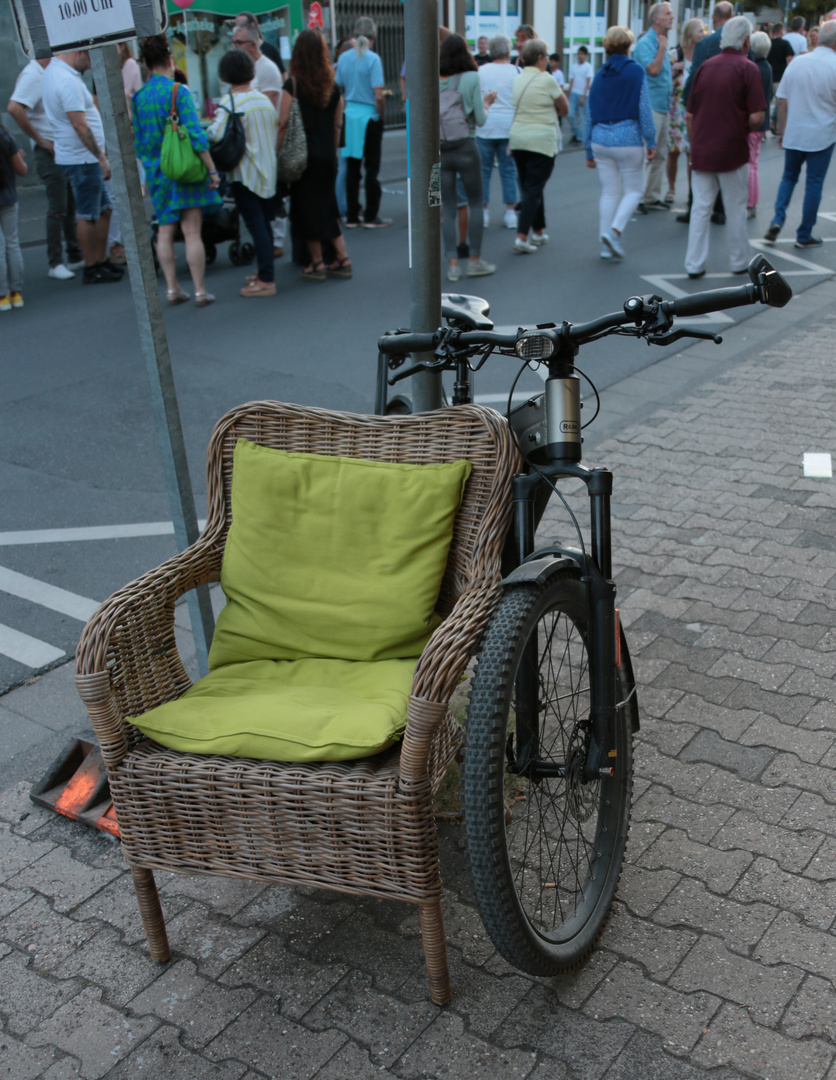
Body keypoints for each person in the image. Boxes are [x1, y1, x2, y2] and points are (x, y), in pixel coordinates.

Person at [132, 35, 221, 306]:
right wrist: (212, 169)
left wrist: (146, 176)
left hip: (158, 173)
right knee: (192, 231)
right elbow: (195, 134)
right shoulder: (177, 91)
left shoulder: (138, 98)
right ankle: (200, 291)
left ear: (146, 65)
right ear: (170, 59)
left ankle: (172, 289)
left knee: (165, 231)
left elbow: (139, 141)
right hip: (184, 172)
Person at [684, 15, 765, 278]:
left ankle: (694, 264)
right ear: (746, 40)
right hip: (732, 149)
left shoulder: (705, 67)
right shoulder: (748, 68)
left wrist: (694, 141)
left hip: (702, 148)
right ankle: (739, 261)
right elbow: (757, 117)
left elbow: (690, 115)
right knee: (735, 206)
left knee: (701, 207)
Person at [41, 50, 124, 285]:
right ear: (79, 53)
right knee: (88, 214)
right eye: (89, 60)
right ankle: (92, 266)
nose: (90, 66)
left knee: (104, 209)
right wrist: (100, 156)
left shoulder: (58, 73)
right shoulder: (65, 79)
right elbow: (79, 125)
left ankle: (100, 262)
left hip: (81, 157)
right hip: (82, 158)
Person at [278, 29, 352, 281]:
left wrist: (276, 151)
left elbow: (283, 122)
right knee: (327, 207)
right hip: (327, 155)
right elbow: (337, 125)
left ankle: (317, 263)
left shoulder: (293, 85)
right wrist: (331, 152)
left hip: (302, 157)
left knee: (304, 209)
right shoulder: (333, 87)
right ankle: (342, 258)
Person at [208, 49, 277, 297]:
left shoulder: (231, 103)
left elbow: (214, 134)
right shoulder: (264, 100)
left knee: (255, 226)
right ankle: (264, 271)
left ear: (226, 75)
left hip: (245, 174)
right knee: (264, 226)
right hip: (268, 172)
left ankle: (267, 280)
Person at [584, 26, 657, 260]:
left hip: (600, 140)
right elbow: (644, 108)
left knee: (609, 193)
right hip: (627, 138)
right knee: (635, 190)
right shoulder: (635, 71)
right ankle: (615, 232)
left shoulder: (599, 74)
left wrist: (588, 148)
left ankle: (606, 246)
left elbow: (589, 112)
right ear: (628, 45)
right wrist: (651, 139)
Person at [7, 59, 83, 281]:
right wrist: (39, 140)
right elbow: (14, 107)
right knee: (59, 206)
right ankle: (55, 262)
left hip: (60, 147)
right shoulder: (34, 73)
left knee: (69, 203)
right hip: (49, 149)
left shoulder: (51, 71)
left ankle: (74, 254)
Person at [765, 19, 836, 249]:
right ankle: (804, 233)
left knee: (789, 177)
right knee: (814, 184)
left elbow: (782, 100)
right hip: (822, 135)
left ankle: (777, 218)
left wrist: (781, 132)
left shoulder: (797, 62)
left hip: (795, 132)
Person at [438, 34, 496, 281]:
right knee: (475, 203)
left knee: (448, 207)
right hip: (466, 147)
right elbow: (481, 121)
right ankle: (474, 261)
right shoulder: (472, 77)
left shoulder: (434, 79)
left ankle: (452, 265)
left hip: (440, 150)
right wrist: (487, 102)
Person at [509, 37, 568, 253]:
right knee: (533, 188)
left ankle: (539, 231)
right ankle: (522, 237)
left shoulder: (517, 78)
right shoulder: (548, 80)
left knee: (531, 187)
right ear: (541, 58)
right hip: (541, 141)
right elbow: (565, 108)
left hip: (518, 139)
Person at [336, 17, 390, 228]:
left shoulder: (343, 58)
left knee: (352, 168)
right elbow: (379, 95)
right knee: (372, 167)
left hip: (350, 117)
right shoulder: (373, 59)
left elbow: (338, 86)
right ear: (373, 37)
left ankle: (351, 216)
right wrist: (382, 115)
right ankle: (370, 215)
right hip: (369, 117)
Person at [633, 3, 674, 210]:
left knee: (660, 154)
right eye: (667, 13)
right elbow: (653, 69)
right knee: (647, 154)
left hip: (663, 105)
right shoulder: (647, 43)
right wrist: (662, 48)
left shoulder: (659, 41)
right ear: (656, 19)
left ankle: (651, 196)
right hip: (650, 106)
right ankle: (637, 197)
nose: (672, 16)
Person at [477, 35, 520, 230]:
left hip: (485, 126)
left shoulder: (481, 71)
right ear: (508, 52)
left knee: (483, 171)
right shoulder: (516, 71)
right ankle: (510, 212)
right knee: (508, 170)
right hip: (509, 126)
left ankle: (484, 212)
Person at [666, 18, 704, 204]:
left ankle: (692, 192)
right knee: (673, 152)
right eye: (700, 30)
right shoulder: (674, 54)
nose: (703, 34)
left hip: (694, 111)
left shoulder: (702, 55)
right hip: (675, 110)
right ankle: (671, 188)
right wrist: (673, 71)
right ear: (689, 33)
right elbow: (663, 82)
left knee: (692, 154)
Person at [0, 124, 27, 312]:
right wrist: (20, 157)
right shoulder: (5, 136)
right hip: (8, 197)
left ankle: (2, 295)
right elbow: (22, 170)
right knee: (12, 243)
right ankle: (16, 293)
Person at [747, 31, 773, 218]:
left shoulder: (754, 68)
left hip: (753, 120)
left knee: (749, 164)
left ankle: (749, 203)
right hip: (762, 121)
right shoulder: (767, 67)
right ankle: (752, 203)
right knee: (753, 163)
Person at [567, 45, 592, 145]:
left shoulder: (588, 67)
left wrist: (583, 96)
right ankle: (575, 132)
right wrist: (568, 93)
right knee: (570, 115)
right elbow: (571, 81)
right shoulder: (574, 66)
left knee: (581, 117)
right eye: (578, 53)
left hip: (583, 95)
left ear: (585, 55)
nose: (579, 56)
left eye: (582, 54)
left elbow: (588, 82)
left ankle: (579, 137)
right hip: (573, 93)